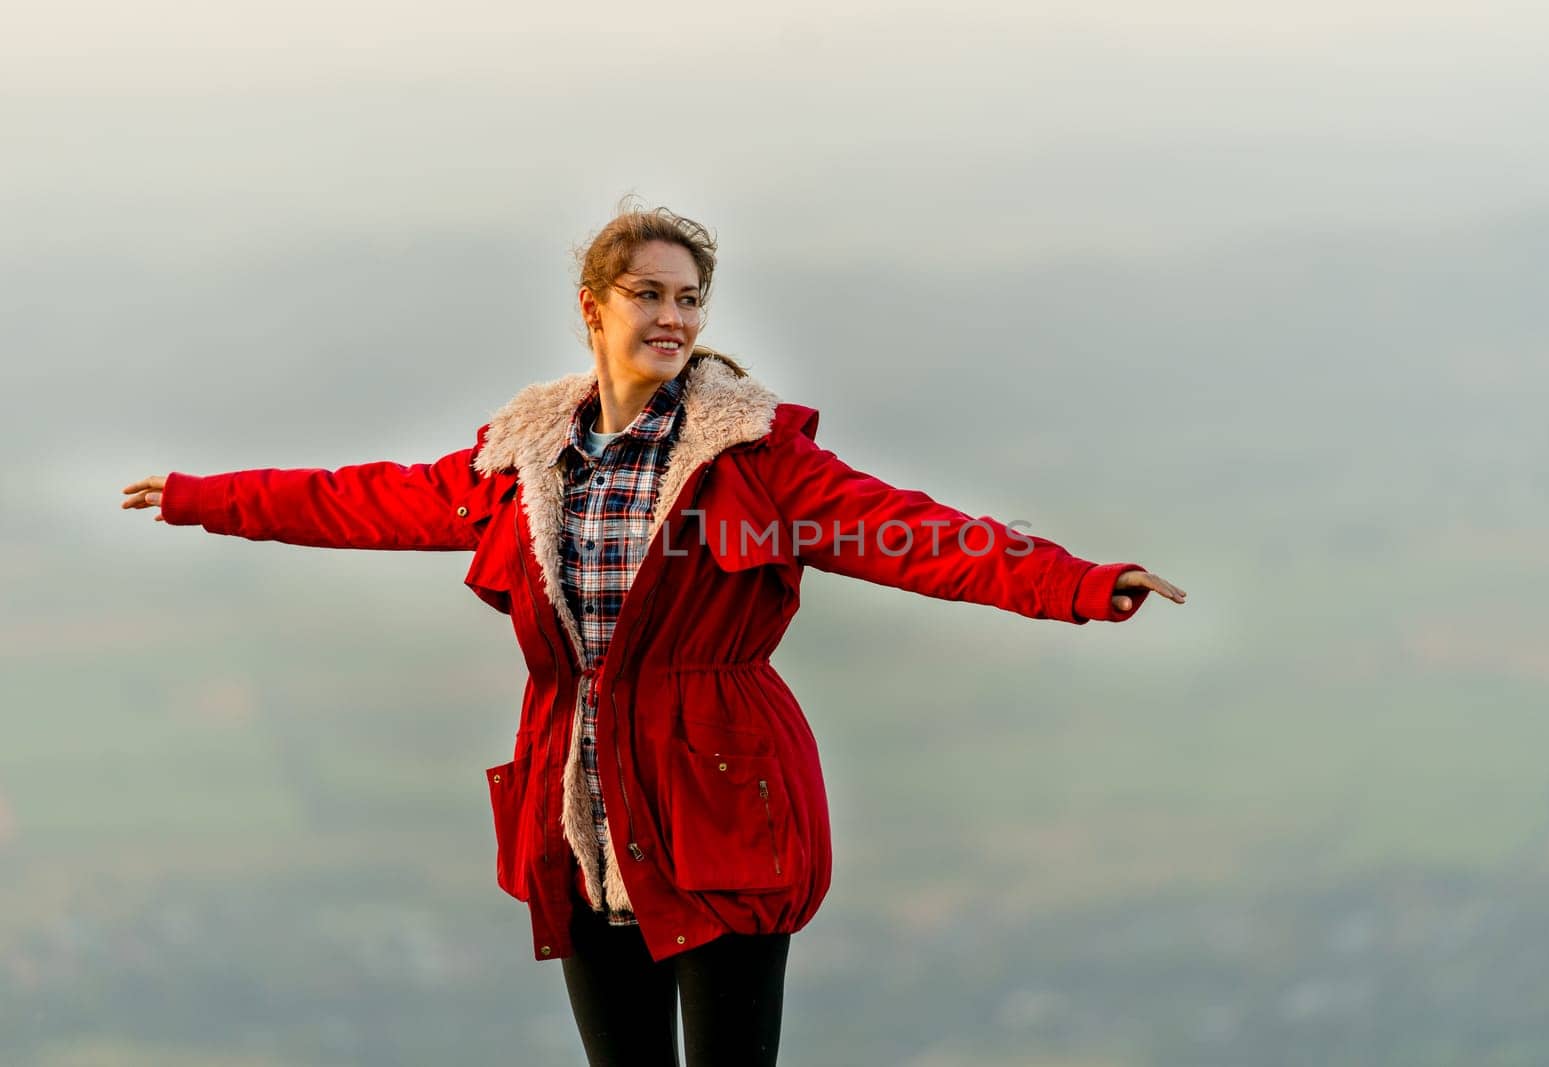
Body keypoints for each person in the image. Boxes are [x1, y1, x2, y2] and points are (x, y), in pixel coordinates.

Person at [121, 200, 1187, 1066]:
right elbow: (359, 498)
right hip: (579, 802)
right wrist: (198, 494)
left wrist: (1080, 581)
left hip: (725, 796)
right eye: (649, 294)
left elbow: (917, 534)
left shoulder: (761, 461)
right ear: (593, 307)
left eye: (689, 297)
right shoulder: (518, 460)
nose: (672, 315)